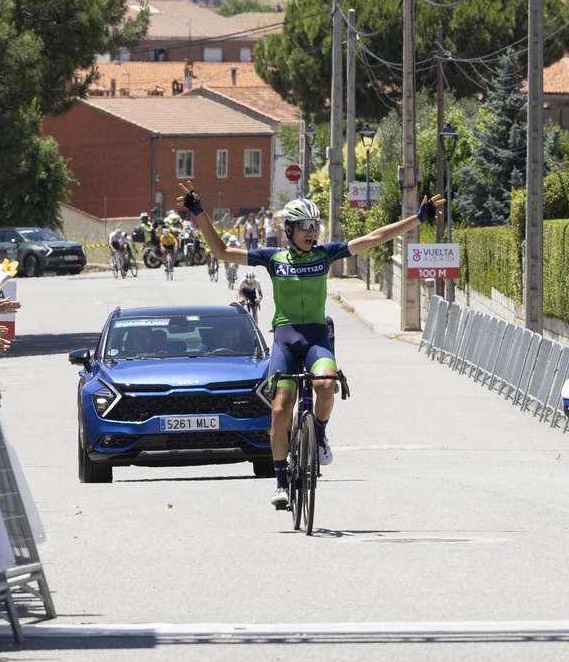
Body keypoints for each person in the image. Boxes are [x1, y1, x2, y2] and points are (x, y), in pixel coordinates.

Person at [179, 183, 443, 510]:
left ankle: (318, 433)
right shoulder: (272, 258)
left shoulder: (325, 254)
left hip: (318, 336)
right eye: (305, 226)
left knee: (326, 384)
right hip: (286, 339)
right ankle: (280, 484)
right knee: (279, 409)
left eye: (315, 225)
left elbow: (374, 238)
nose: (312, 231)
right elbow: (220, 253)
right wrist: (199, 212)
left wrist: (416, 218)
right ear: (287, 229)